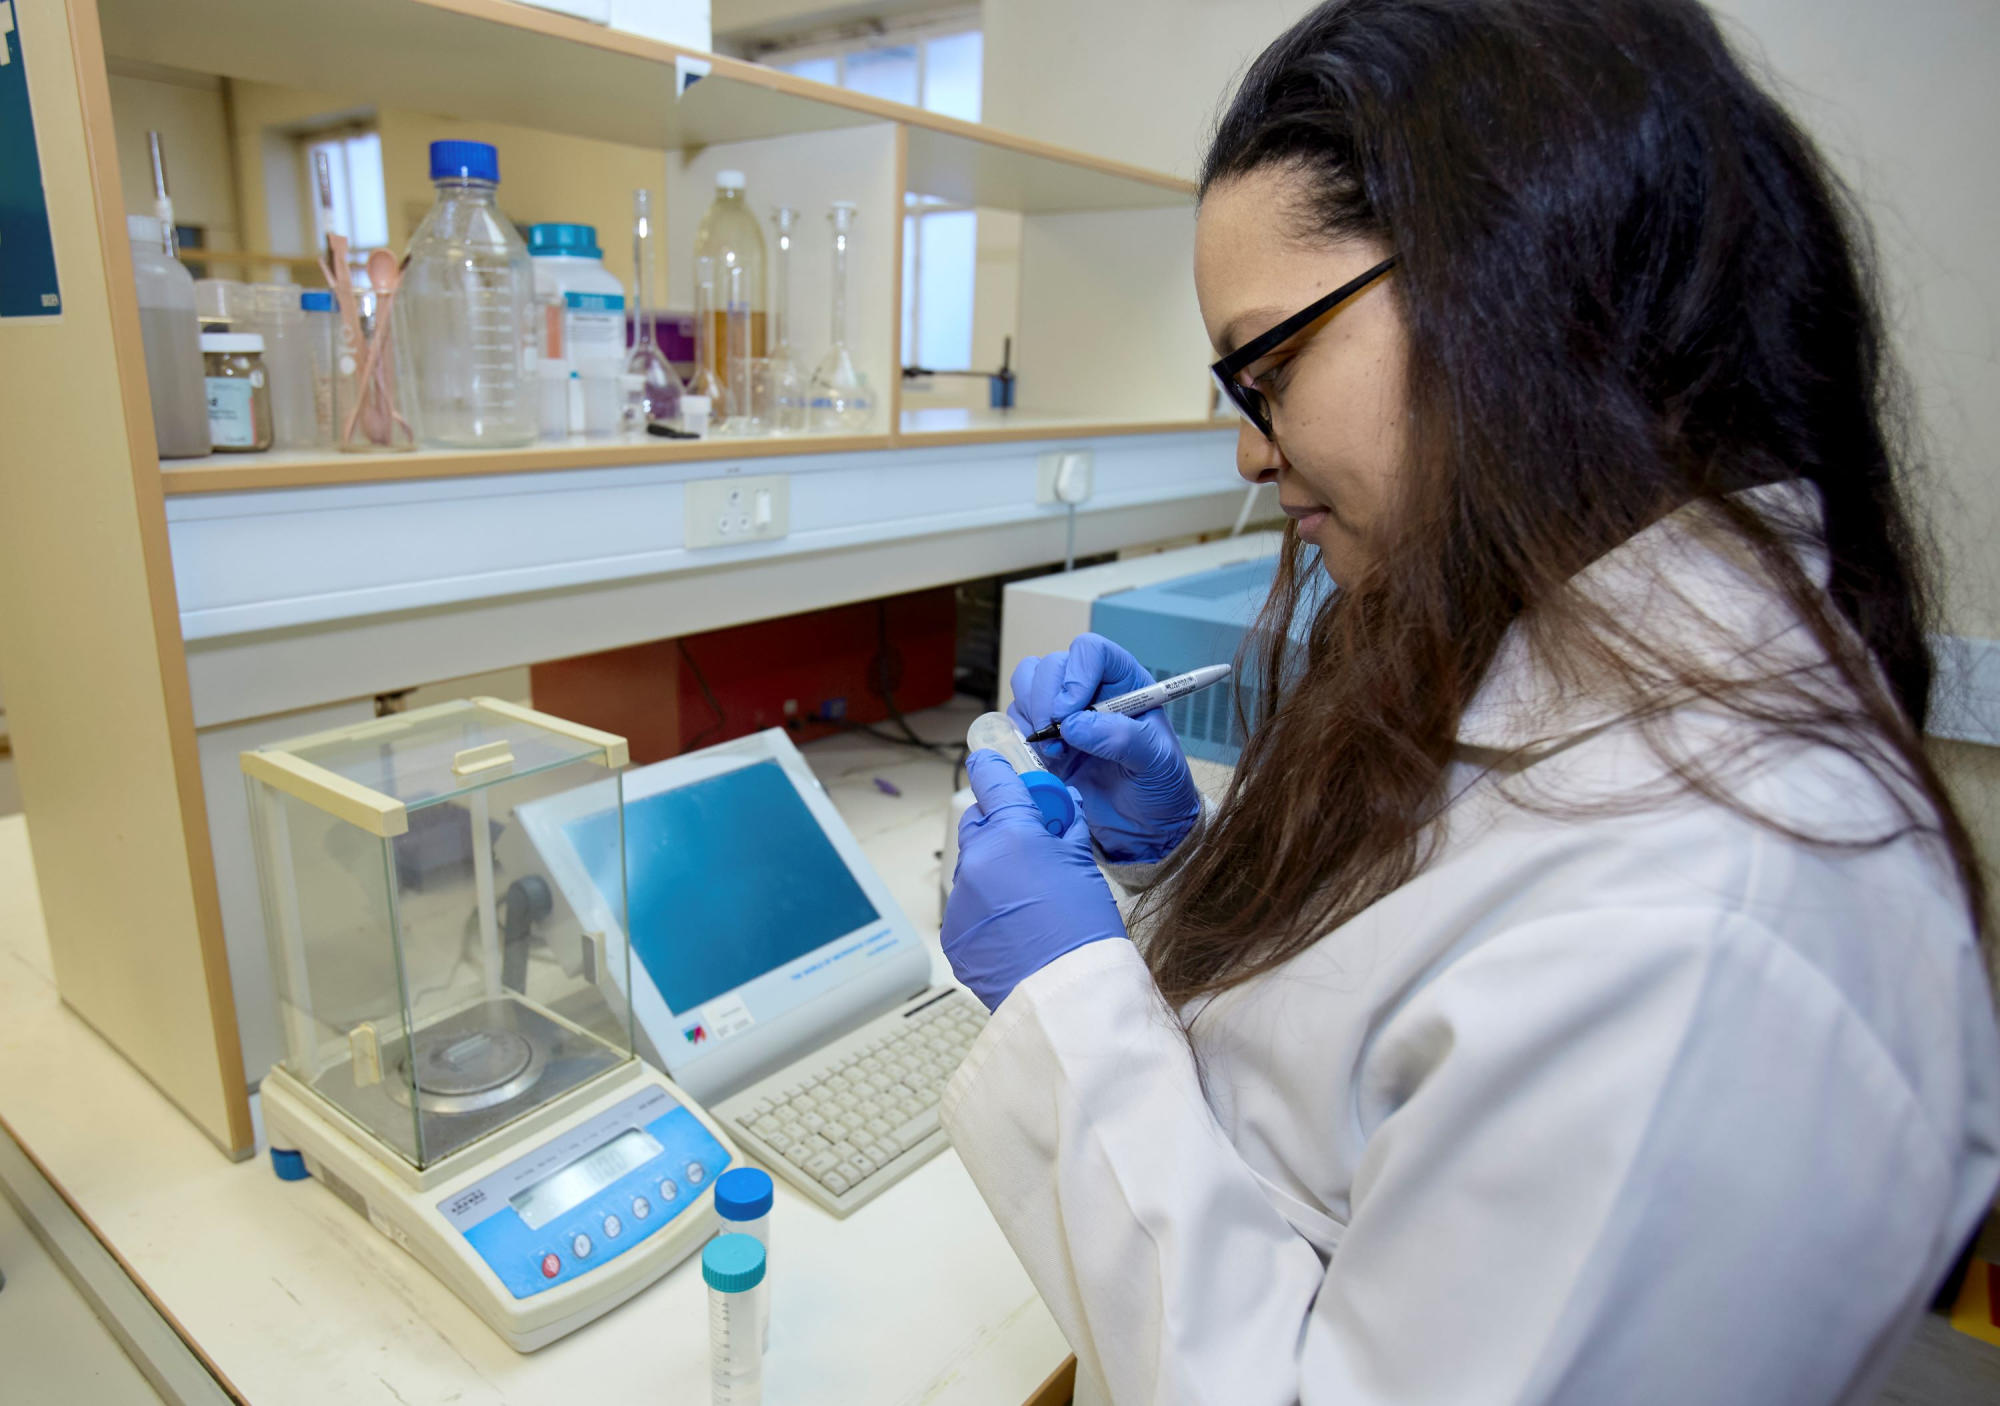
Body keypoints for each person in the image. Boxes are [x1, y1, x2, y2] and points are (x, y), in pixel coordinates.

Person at [936, 2, 2000, 1403]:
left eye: (1271, 369)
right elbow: (1396, 1041)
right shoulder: (1577, 653)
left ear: (1520, 277)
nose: (1255, 453)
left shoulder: (1716, 926)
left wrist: (1071, 997)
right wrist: (1183, 856)